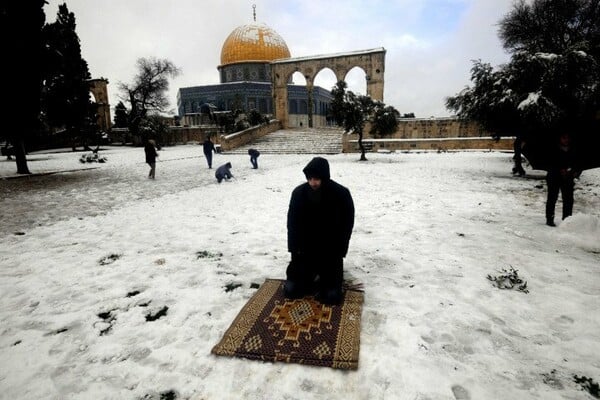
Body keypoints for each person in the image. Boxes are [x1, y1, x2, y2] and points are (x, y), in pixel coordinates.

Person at [284, 157, 355, 305]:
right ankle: (310, 275)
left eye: (316, 179)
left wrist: (340, 250)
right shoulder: (298, 193)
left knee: (331, 297)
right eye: (310, 179)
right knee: (291, 291)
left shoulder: (341, 193)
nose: (313, 183)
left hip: (329, 250)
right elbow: (292, 224)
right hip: (305, 250)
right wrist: (294, 250)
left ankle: (327, 279)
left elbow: (347, 224)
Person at [545, 132, 581, 227]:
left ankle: (567, 220)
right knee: (552, 198)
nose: (566, 140)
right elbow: (549, 162)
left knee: (568, 199)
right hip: (554, 177)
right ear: (560, 138)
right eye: (564, 138)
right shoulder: (553, 149)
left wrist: (573, 171)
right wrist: (559, 169)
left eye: (568, 138)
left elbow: (577, 163)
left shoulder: (573, 149)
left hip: (568, 178)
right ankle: (549, 218)